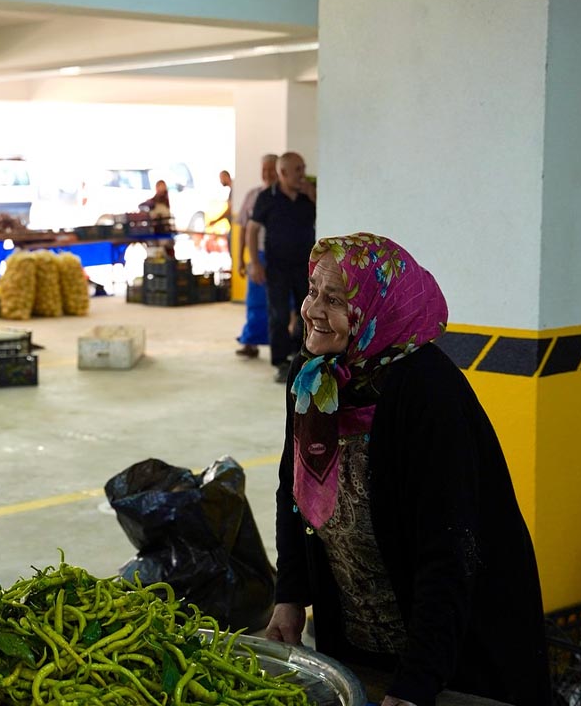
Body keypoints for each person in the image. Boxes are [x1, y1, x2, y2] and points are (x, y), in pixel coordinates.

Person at [265, 233, 550, 706]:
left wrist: (417, 683)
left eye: (334, 299)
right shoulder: (315, 375)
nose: (313, 309)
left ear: (379, 309)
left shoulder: (428, 394)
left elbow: (449, 550)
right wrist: (290, 595)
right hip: (358, 633)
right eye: (313, 290)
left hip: (456, 648)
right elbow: (290, 487)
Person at [247, 152, 316, 383]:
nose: (302, 174)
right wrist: (255, 263)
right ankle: (281, 362)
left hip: (306, 266)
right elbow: (252, 230)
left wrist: (314, 197)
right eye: (297, 170)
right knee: (278, 314)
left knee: (307, 312)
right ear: (283, 173)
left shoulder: (309, 194)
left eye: (303, 168)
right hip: (276, 267)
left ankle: (302, 355)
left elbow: (328, 216)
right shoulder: (267, 197)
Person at [235, 154, 279, 358]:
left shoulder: (285, 195)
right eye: (265, 170)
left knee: (284, 304)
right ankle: (250, 341)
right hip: (258, 255)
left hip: (281, 256)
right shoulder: (253, 195)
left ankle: (282, 345)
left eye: (272, 169)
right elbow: (244, 230)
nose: (268, 174)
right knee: (255, 301)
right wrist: (240, 260)